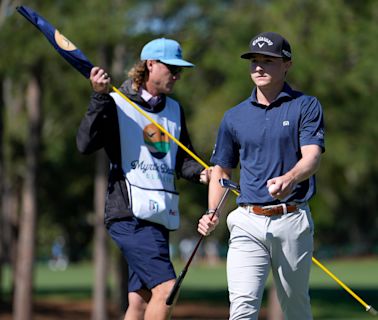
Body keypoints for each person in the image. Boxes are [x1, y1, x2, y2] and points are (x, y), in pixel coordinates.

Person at [77, 38, 211, 320]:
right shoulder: (115, 102)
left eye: (180, 70)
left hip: (159, 215)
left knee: (141, 301)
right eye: (171, 68)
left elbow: (181, 159)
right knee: (167, 290)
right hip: (129, 215)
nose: (177, 75)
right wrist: (99, 97)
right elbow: (85, 144)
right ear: (149, 65)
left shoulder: (174, 109)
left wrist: (201, 173)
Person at [197, 31, 325, 320]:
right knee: (242, 307)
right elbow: (221, 169)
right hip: (247, 220)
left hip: (292, 219)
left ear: (287, 64)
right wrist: (212, 211)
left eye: (268, 61)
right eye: (254, 61)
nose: (259, 67)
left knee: (295, 308)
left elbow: (312, 157)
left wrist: (290, 178)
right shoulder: (234, 116)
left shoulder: (306, 106)